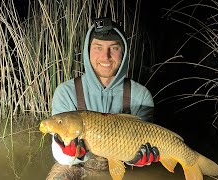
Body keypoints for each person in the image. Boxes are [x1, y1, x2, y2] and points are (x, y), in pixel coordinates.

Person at [46, 17, 159, 180]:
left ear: (123, 52)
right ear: (87, 50)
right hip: (77, 165)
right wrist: (67, 150)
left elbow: (146, 144)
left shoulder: (141, 95)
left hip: (124, 165)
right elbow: (61, 155)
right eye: (98, 47)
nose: (105, 57)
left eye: (113, 48)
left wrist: (140, 160)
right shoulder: (66, 92)